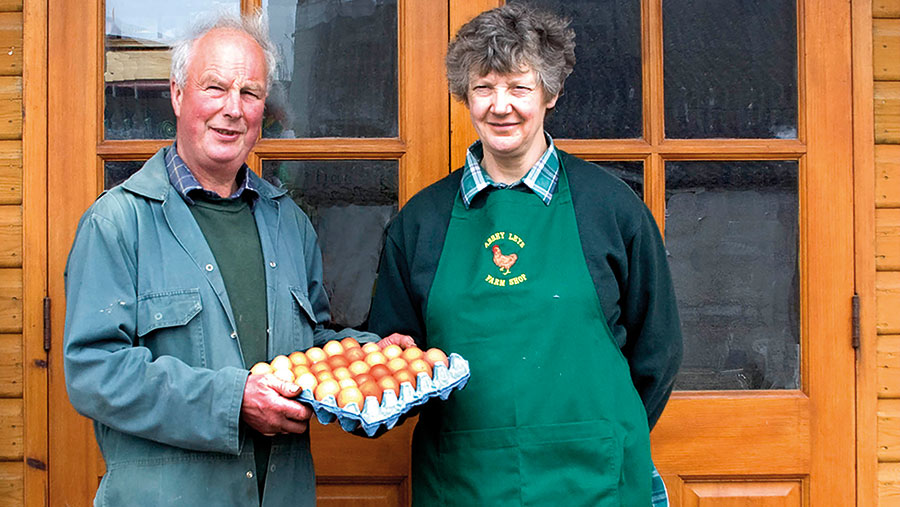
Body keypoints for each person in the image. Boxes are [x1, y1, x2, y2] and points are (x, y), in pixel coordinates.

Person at [63, 12, 407, 506]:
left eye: (249, 93)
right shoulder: (118, 223)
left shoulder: (289, 222)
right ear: (178, 94)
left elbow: (308, 348)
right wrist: (231, 401)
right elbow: (94, 373)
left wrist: (371, 356)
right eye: (215, 88)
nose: (232, 109)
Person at [368, 3, 682, 505]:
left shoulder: (613, 208)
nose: (500, 105)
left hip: (595, 480)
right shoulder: (420, 222)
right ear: (464, 95)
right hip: (466, 482)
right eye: (484, 87)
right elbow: (391, 363)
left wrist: (597, 430)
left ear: (550, 93)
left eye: (519, 87)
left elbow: (658, 350)